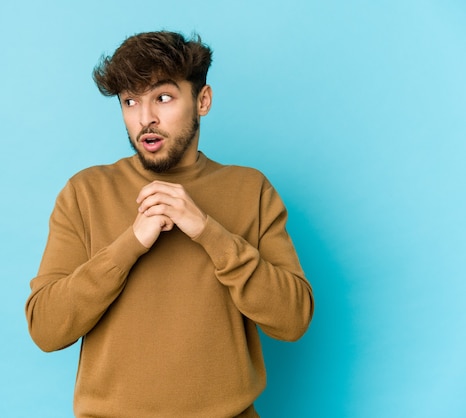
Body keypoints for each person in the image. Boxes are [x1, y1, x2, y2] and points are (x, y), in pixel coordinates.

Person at [25, 31, 314, 418]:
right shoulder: (85, 192)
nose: (145, 119)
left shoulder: (250, 189)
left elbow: (293, 320)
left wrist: (207, 231)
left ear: (203, 100)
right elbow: (46, 329)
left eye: (163, 98)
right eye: (130, 102)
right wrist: (129, 245)